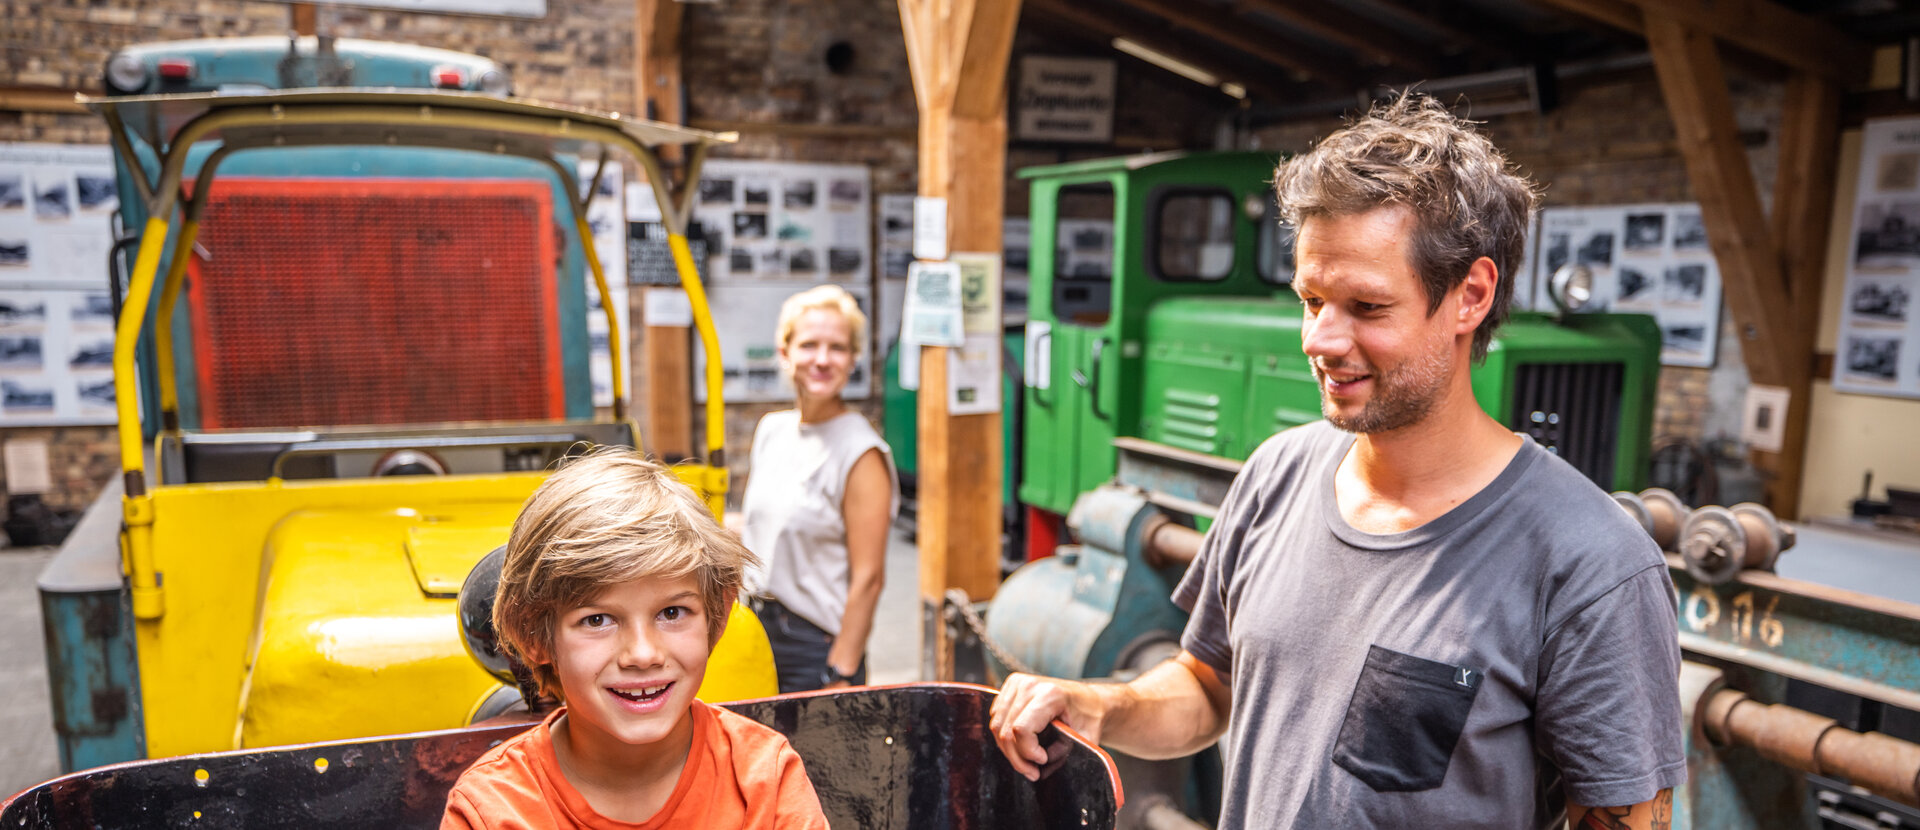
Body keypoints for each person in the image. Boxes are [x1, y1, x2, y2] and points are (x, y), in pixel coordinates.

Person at [990, 93, 1684, 829]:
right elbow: (1209, 688)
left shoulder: (1590, 562)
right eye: (1311, 299)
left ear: (1470, 296)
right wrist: (1100, 703)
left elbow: (1621, 815)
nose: (1321, 339)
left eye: (1367, 307)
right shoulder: (1277, 473)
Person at [442, 450, 829, 829]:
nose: (643, 654)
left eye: (672, 613)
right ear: (534, 637)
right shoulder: (491, 812)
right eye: (597, 620)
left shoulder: (765, 783)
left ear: (719, 614)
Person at [740, 284, 898, 693]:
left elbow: (869, 578)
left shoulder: (860, 451)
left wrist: (840, 672)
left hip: (815, 646)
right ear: (785, 352)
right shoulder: (772, 430)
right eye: (809, 345)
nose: (823, 360)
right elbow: (761, 525)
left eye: (838, 348)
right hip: (754, 630)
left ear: (853, 359)